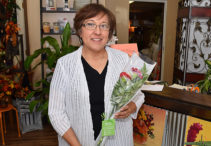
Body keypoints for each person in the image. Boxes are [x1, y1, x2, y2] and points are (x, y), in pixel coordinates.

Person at [48, 3, 144, 146]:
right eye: (90, 24)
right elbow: (56, 113)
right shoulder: (65, 65)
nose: (97, 31)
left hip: (119, 139)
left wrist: (132, 105)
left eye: (104, 26)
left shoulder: (123, 60)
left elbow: (138, 93)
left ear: (110, 33)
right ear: (80, 30)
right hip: (78, 140)